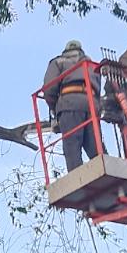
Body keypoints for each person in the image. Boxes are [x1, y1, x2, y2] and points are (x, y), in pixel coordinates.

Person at [40, 39, 98, 173]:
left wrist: (55, 109)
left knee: (72, 144)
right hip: (91, 104)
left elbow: (49, 89)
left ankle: (78, 177)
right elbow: (98, 87)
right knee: (94, 144)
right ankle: (104, 170)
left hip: (69, 103)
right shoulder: (91, 65)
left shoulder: (58, 62)